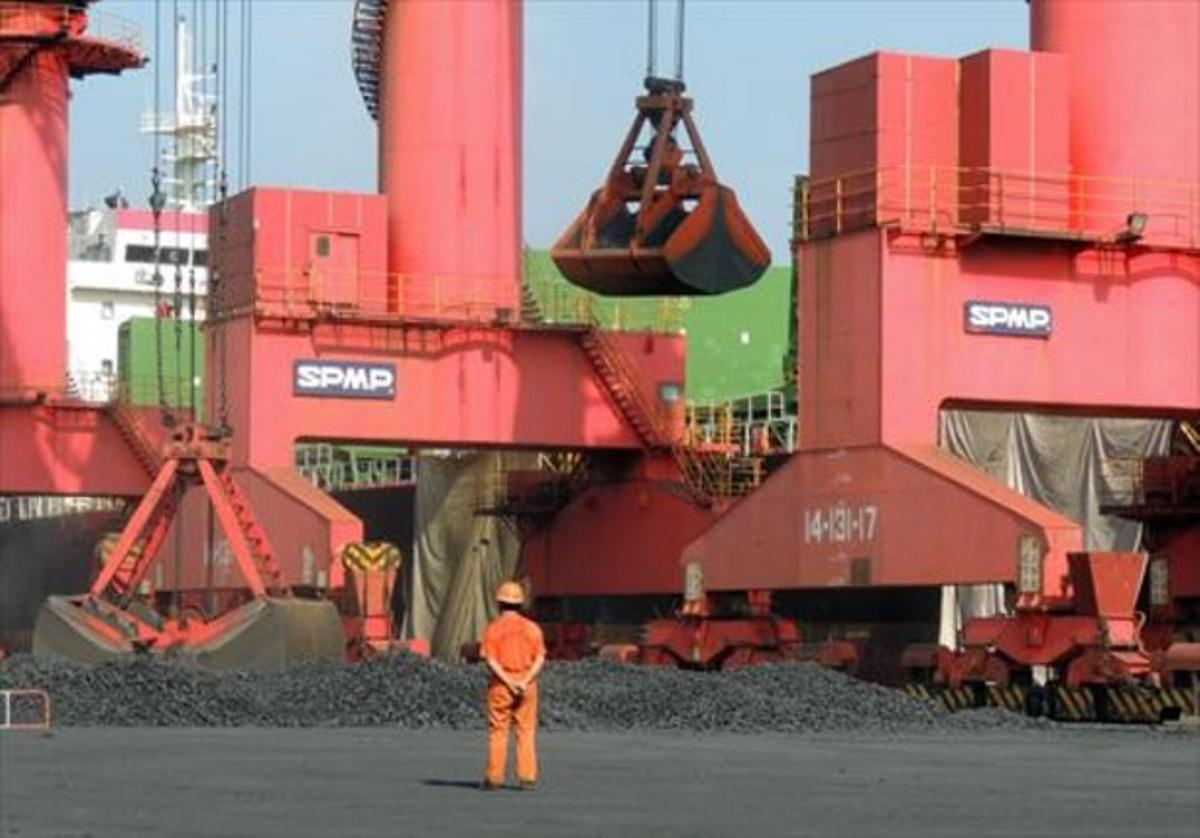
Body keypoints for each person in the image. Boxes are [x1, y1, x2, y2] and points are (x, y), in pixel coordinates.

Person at [479, 580, 545, 791]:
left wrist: (508, 681)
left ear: (499, 603)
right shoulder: (533, 628)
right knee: (526, 731)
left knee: (498, 731)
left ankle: (494, 778)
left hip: (501, 685)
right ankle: (527, 777)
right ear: (520, 603)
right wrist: (524, 681)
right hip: (528, 684)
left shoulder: (493, 629)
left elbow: (491, 660)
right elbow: (540, 658)